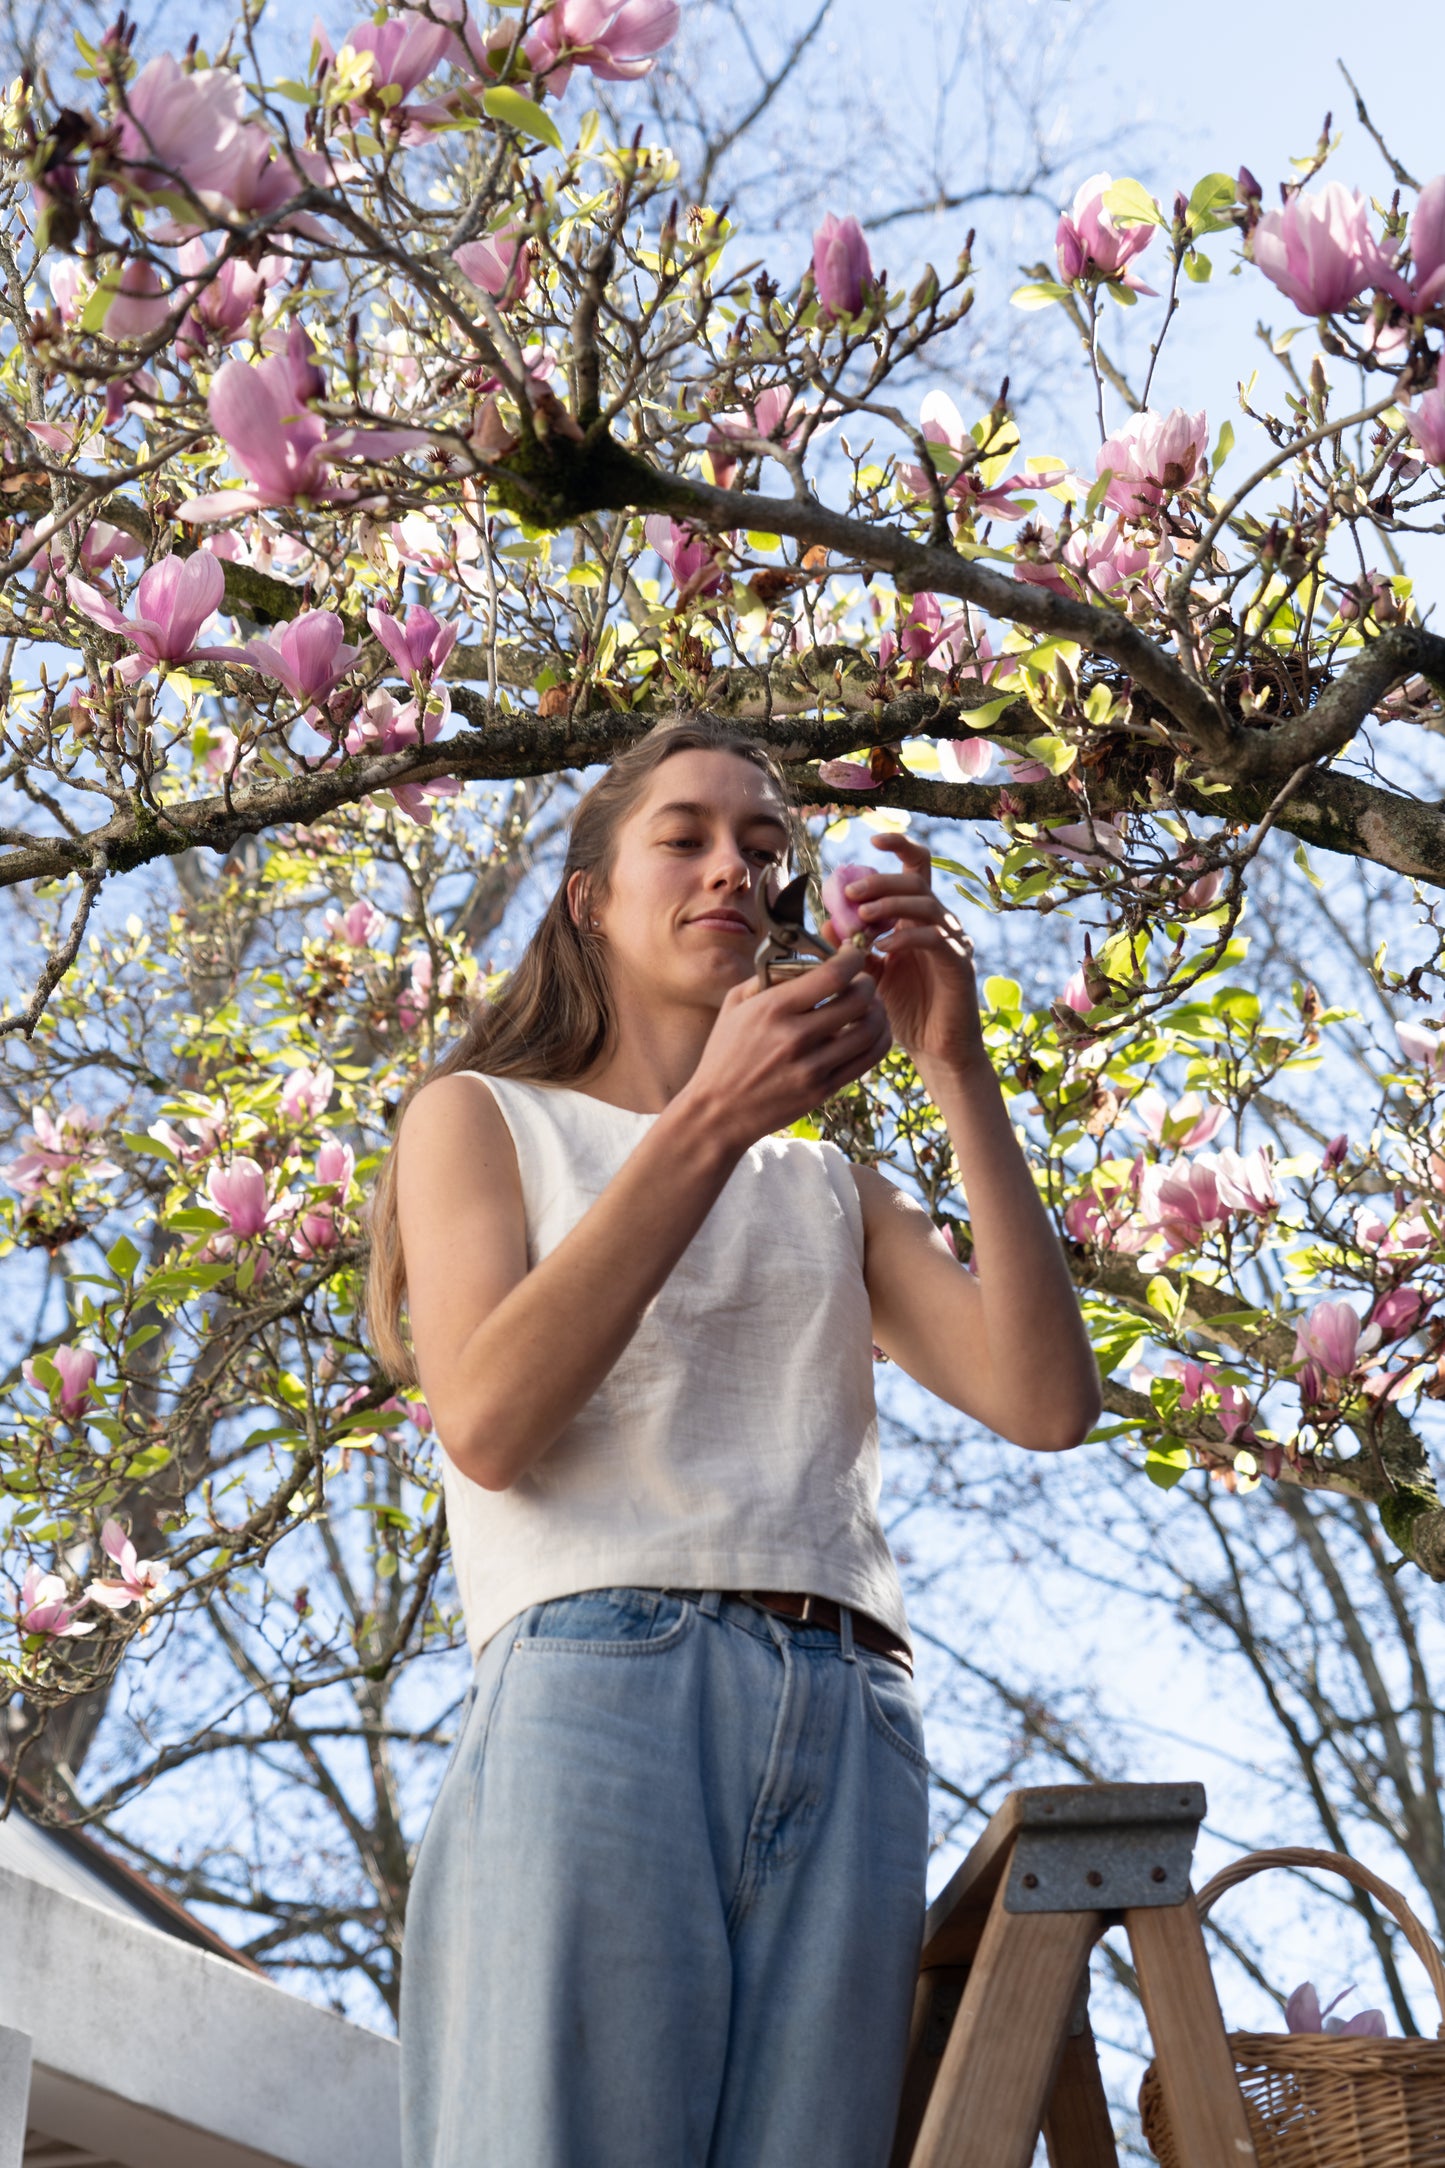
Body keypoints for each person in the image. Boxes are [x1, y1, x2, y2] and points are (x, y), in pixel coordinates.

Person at [367, 715, 1100, 2168]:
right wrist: (706, 1119)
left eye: (763, 847)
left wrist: (957, 1067)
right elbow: (491, 1422)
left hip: (851, 1711)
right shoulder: (481, 1120)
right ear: (590, 897)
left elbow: (1044, 1401)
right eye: (686, 837)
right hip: (600, 1684)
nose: (733, 870)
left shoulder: (823, 1177)